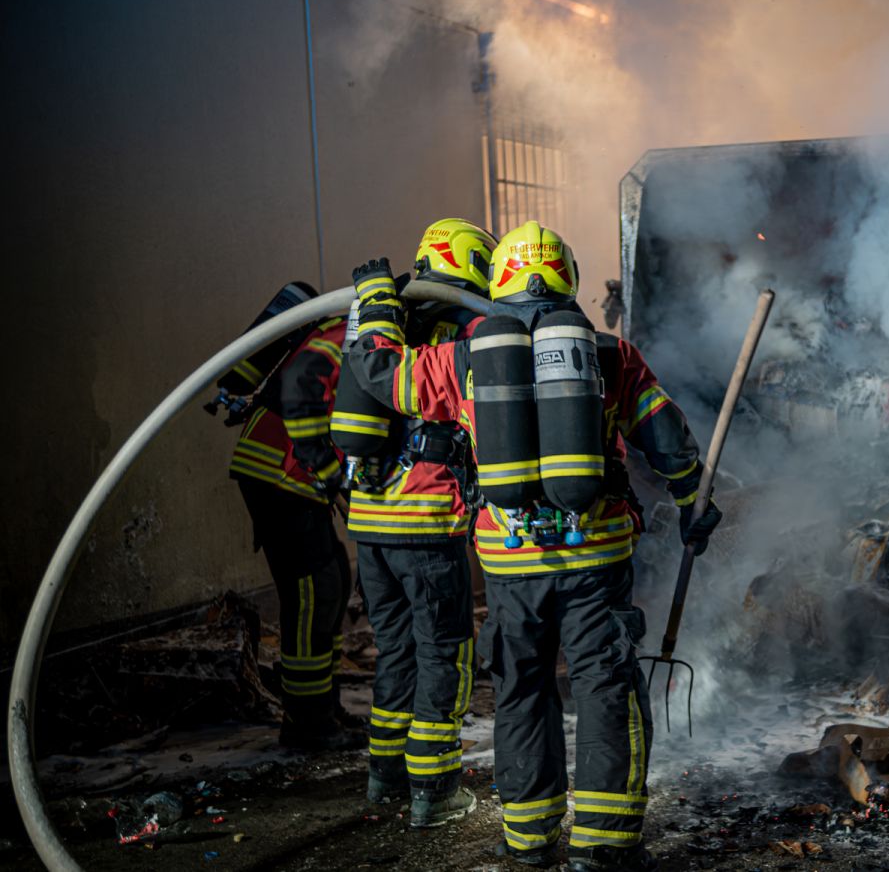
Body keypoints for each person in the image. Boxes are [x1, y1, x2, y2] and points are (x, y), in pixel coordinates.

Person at [347, 221, 722, 871]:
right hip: (596, 557)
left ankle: (527, 836)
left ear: (499, 282)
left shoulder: (462, 357)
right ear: (569, 279)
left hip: (509, 560)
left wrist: (378, 301)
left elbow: (379, 370)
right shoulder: (612, 355)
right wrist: (695, 502)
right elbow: (669, 441)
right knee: (605, 687)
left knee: (521, 688)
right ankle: (602, 843)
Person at [340, 219, 496, 828]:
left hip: (370, 526)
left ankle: (385, 777)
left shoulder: (392, 322)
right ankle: (434, 789)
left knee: (396, 651)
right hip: (426, 523)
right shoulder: (466, 331)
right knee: (444, 653)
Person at [228, 314, 361, 750]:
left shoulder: (366, 327)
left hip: (293, 477)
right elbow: (303, 380)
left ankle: (325, 708)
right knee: (312, 594)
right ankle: (306, 723)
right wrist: (326, 468)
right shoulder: (352, 328)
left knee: (334, 580)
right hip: (277, 470)